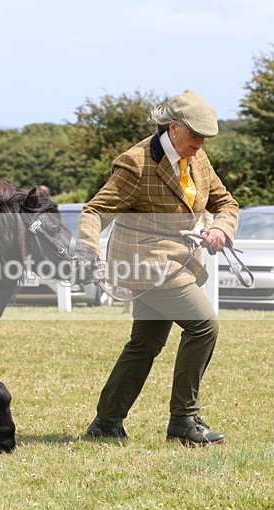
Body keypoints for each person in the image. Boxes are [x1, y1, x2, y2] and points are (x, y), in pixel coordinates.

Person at [78, 90, 239, 446]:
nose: (200, 143)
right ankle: (184, 419)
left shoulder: (198, 158)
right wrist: (89, 251)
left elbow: (226, 202)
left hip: (180, 262)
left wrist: (219, 228)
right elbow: (95, 211)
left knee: (145, 342)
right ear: (171, 127)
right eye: (195, 135)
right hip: (146, 265)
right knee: (203, 326)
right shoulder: (135, 163)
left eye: (205, 137)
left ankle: (106, 422)